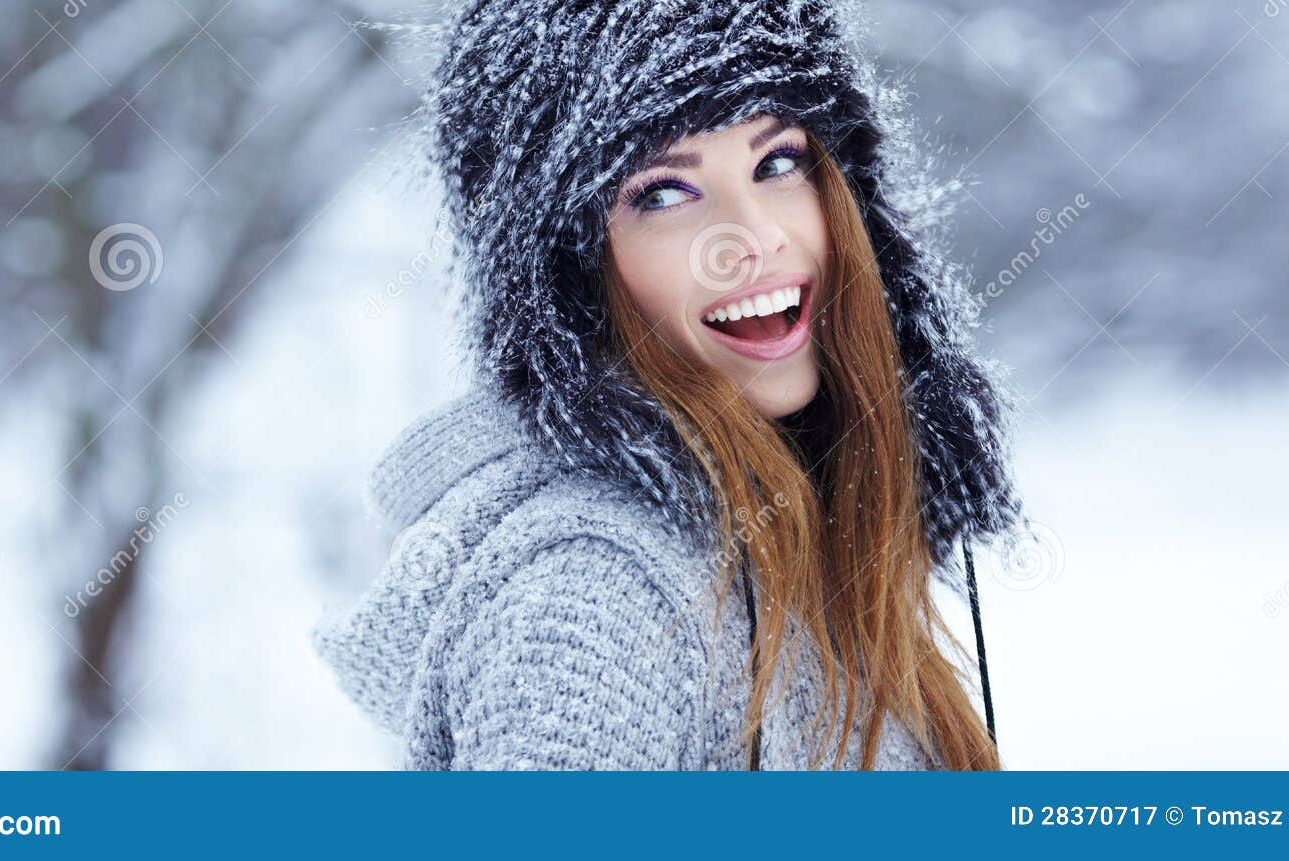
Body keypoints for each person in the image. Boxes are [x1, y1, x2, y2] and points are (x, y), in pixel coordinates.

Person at [313, 0, 1025, 770]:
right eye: (662, 194)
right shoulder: (594, 601)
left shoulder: (811, 531)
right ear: (565, 276)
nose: (753, 237)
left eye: (777, 162)